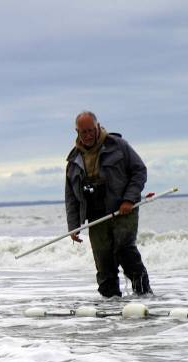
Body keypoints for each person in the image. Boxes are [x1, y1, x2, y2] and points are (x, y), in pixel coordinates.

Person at [65, 111, 152, 297]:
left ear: (98, 127)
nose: (88, 135)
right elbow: (71, 196)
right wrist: (74, 226)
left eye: (91, 130)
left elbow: (139, 171)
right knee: (104, 263)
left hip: (123, 210)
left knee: (125, 252)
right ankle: (110, 308)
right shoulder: (73, 160)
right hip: (96, 216)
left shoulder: (118, 146)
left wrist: (129, 199)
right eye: (83, 132)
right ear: (77, 132)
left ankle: (145, 297)